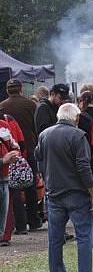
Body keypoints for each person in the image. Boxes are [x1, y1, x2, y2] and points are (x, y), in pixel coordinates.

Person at [34, 103, 93, 272]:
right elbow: (84, 167)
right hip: (77, 193)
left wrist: (48, 180)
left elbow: (39, 159)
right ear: (77, 118)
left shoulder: (44, 134)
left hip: (53, 193)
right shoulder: (78, 136)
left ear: (58, 116)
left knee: (55, 240)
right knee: (84, 237)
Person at [0, 78, 42, 231]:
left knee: (13, 188)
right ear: (21, 90)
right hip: (29, 148)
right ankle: (34, 220)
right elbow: (36, 126)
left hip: (8, 150)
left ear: (7, 90)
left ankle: (19, 223)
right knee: (30, 184)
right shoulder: (31, 105)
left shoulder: (2, 106)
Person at [0, 127, 19, 272]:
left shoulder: (3, 126)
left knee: (1, 230)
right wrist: (3, 160)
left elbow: (16, 145)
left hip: (4, 181)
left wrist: (13, 154)